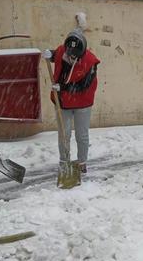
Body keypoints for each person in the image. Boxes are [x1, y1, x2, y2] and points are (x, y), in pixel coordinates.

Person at [42, 29, 100, 173]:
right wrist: (50, 54)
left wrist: (62, 86)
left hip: (83, 103)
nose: (72, 57)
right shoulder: (63, 50)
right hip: (63, 101)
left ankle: (82, 163)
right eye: (70, 54)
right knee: (64, 133)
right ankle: (64, 162)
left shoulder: (90, 62)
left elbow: (82, 86)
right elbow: (56, 54)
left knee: (81, 134)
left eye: (75, 56)